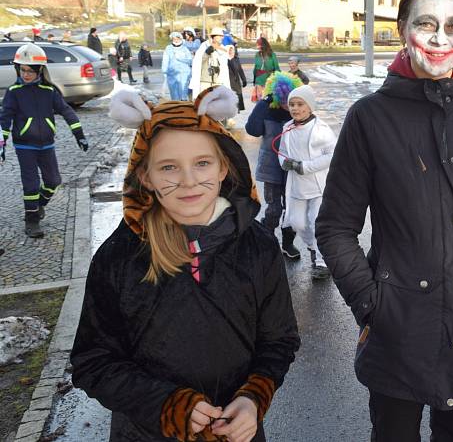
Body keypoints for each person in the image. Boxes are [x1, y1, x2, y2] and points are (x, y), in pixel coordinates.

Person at [315, 0, 453, 441]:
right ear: (402, 28)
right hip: (398, 328)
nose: (440, 38)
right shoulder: (370, 118)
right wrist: (371, 304)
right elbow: (335, 226)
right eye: (427, 23)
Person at [71, 86, 301, 442]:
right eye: (168, 167)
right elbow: (93, 362)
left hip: (237, 433)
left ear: (225, 167)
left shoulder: (258, 248)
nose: (189, 180)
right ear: (145, 177)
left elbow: (279, 341)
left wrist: (254, 397)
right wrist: (168, 405)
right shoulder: (120, 256)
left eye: (202, 163)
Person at [0, 44, 89, 238]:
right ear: (17, 69)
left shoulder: (49, 91)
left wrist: (79, 134)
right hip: (25, 146)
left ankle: (38, 205)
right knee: (31, 185)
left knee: (53, 181)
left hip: (47, 145)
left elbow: (67, 111)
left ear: (40, 70)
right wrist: (2, 145)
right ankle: (32, 220)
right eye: (22, 70)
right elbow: (4, 120)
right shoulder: (14, 92)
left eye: (30, 71)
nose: (26, 74)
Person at [278, 85, 336, 279]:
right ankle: (313, 246)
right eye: (292, 104)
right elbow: (282, 152)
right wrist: (285, 163)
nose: (295, 108)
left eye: (300, 104)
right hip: (296, 186)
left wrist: (305, 166)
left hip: (318, 186)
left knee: (315, 222)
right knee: (297, 223)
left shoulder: (321, 129)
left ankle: (321, 262)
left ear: (310, 107)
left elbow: (332, 155)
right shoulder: (287, 128)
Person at [245, 73, 302, 261]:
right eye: (284, 101)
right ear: (277, 97)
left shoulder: (297, 114)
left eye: (292, 101)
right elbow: (252, 129)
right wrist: (263, 102)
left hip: (291, 170)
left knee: (291, 210)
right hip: (271, 169)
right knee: (274, 210)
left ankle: (287, 243)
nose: (289, 105)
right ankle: (266, 240)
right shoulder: (267, 111)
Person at [189, 27, 230, 99]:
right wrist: (207, 53)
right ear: (213, 37)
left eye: (222, 36)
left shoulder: (222, 48)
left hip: (218, 81)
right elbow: (197, 62)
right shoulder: (204, 46)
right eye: (219, 36)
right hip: (205, 81)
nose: (222, 38)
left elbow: (224, 66)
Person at [161, 32, 193, 101]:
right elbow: (165, 60)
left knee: (183, 92)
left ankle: (183, 105)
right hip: (172, 74)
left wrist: (181, 59)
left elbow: (190, 60)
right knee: (174, 92)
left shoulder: (184, 49)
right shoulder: (168, 48)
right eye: (174, 39)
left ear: (180, 39)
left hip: (184, 73)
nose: (176, 40)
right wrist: (164, 71)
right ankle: (175, 105)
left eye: (177, 38)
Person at [226, 44, 247, 111]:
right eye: (230, 50)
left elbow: (240, 70)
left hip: (236, 81)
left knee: (237, 96)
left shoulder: (236, 59)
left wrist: (244, 79)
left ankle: (236, 110)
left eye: (233, 50)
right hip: (228, 81)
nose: (231, 52)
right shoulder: (225, 60)